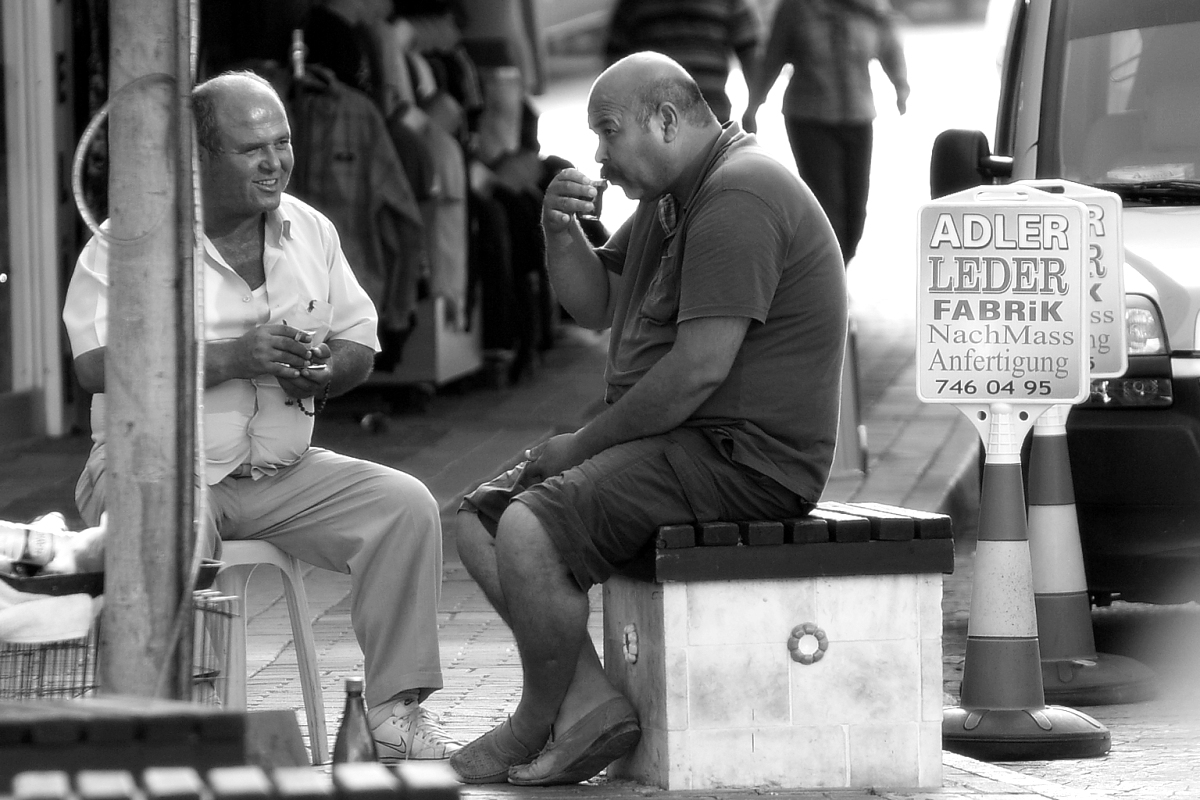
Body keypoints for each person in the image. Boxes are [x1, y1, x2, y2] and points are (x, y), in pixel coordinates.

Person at [449, 52, 847, 786]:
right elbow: (596, 303)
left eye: (608, 131)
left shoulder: (739, 193)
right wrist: (558, 229)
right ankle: (589, 708)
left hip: (744, 460)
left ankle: (532, 722)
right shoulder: (675, 197)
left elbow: (697, 370)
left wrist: (580, 446)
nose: (599, 154)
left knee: (527, 528)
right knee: (479, 521)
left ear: (666, 120)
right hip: (683, 443)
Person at [61, 71, 462, 763]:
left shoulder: (310, 229)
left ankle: (393, 714)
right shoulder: (132, 237)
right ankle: (187, 723)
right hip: (155, 469)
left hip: (281, 473)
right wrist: (229, 357)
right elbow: (95, 365)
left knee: (406, 506)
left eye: (283, 143)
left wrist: (325, 371)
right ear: (200, 158)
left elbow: (360, 340)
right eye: (253, 149)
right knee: (173, 525)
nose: (275, 162)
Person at [742, 0, 910, 266]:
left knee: (856, 214)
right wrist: (753, 105)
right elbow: (772, 58)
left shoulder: (869, 7)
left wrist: (900, 85)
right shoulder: (795, 9)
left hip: (858, 117)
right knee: (828, 208)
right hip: (810, 119)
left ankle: (838, 268)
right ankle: (826, 275)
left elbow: (890, 44)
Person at [603, 0, 761, 124]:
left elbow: (750, 55)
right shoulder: (634, 4)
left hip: (712, 118)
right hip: (652, 125)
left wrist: (752, 109)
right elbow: (613, 66)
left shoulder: (729, 2)